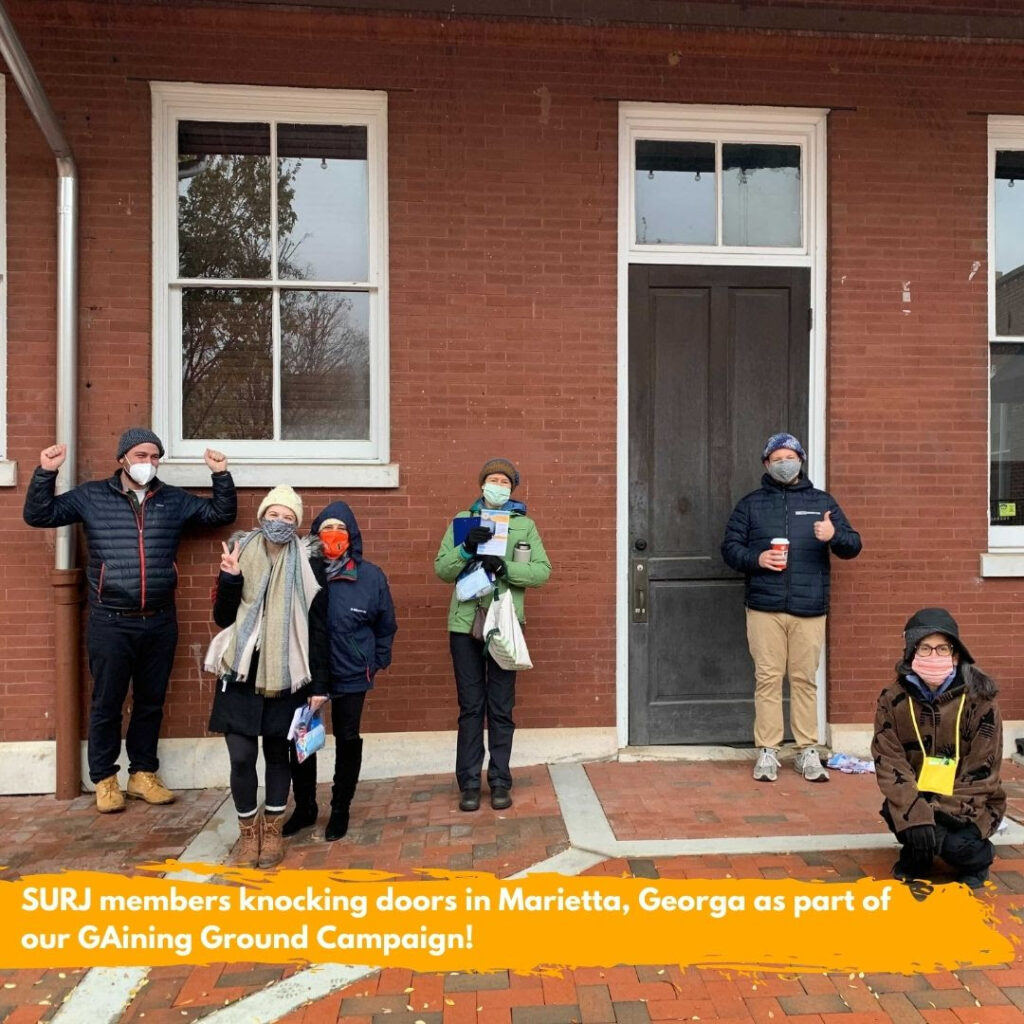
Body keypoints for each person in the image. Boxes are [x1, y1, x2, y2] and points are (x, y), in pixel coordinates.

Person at [23, 428, 236, 813]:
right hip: (110, 620)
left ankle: (142, 774)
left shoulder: (171, 500)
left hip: (159, 619)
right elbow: (40, 514)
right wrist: (45, 473)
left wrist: (220, 474)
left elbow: (220, 514)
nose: (148, 464)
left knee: (150, 701)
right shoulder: (91, 496)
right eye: (141, 455)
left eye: (155, 457)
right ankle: (105, 779)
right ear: (122, 458)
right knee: (107, 701)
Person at [721, 432, 861, 784]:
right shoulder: (751, 505)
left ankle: (805, 751)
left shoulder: (822, 503)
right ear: (767, 464)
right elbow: (729, 548)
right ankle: (767, 750)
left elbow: (853, 546)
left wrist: (834, 536)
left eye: (790, 456)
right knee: (767, 679)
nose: (785, 463)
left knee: (803, 681)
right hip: (764, 607)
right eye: (777, 458)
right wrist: (758, 558)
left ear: (800, 459)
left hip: (809, 607)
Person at [204, 486, 323, 868]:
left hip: (286, 672)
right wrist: (230, 578)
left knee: (276, 755)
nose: (280, 523)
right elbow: (224, 617)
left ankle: (271, 832)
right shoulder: (240, 552)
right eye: (274, 515)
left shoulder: (306, 562)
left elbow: (316, 627)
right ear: (261, 517)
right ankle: (246, 833)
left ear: (297, 524)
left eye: (289, 518)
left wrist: (319, 685)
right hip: (241, 669)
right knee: (241, 756)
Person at [434, 458, 551, 812]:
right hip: (465, 624)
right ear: (482, 485)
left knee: (501, 707)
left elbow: (542, 571)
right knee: (471, 707)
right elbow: (442, 569)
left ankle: (500, 780)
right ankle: (469, 783)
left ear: (511, 488)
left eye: (504, 481)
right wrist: (466, 547)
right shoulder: (461, 521)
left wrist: (506, 567)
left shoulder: (525, 525)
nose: (497, 485)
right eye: (492, 480)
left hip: (505, 623)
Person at [283, 501, 397, 843]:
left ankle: (341, 808)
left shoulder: (370, 576)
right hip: (306, 670)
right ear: (315, 535)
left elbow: (385, 625)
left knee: (348, 738)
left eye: (341, 528)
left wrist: (375, 661)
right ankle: (305, 807)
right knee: (301, 740)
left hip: (351, 670)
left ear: (353, 535)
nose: (333, 535)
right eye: (326, 528)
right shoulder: (300, 570)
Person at [872, 608, 1005, 890]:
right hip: (916, 794)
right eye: (926, 648)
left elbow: (982, 771)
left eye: (942, 648)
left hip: (970, 801)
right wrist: (917, 812)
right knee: (915, 829)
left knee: (955, 846)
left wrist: (935, 815)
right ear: (911, 653)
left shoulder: (981, 701)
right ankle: (918, 853)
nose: (934, 656)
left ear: (955, 655)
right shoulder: (892, 699)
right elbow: (889, 762)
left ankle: (979, 858)